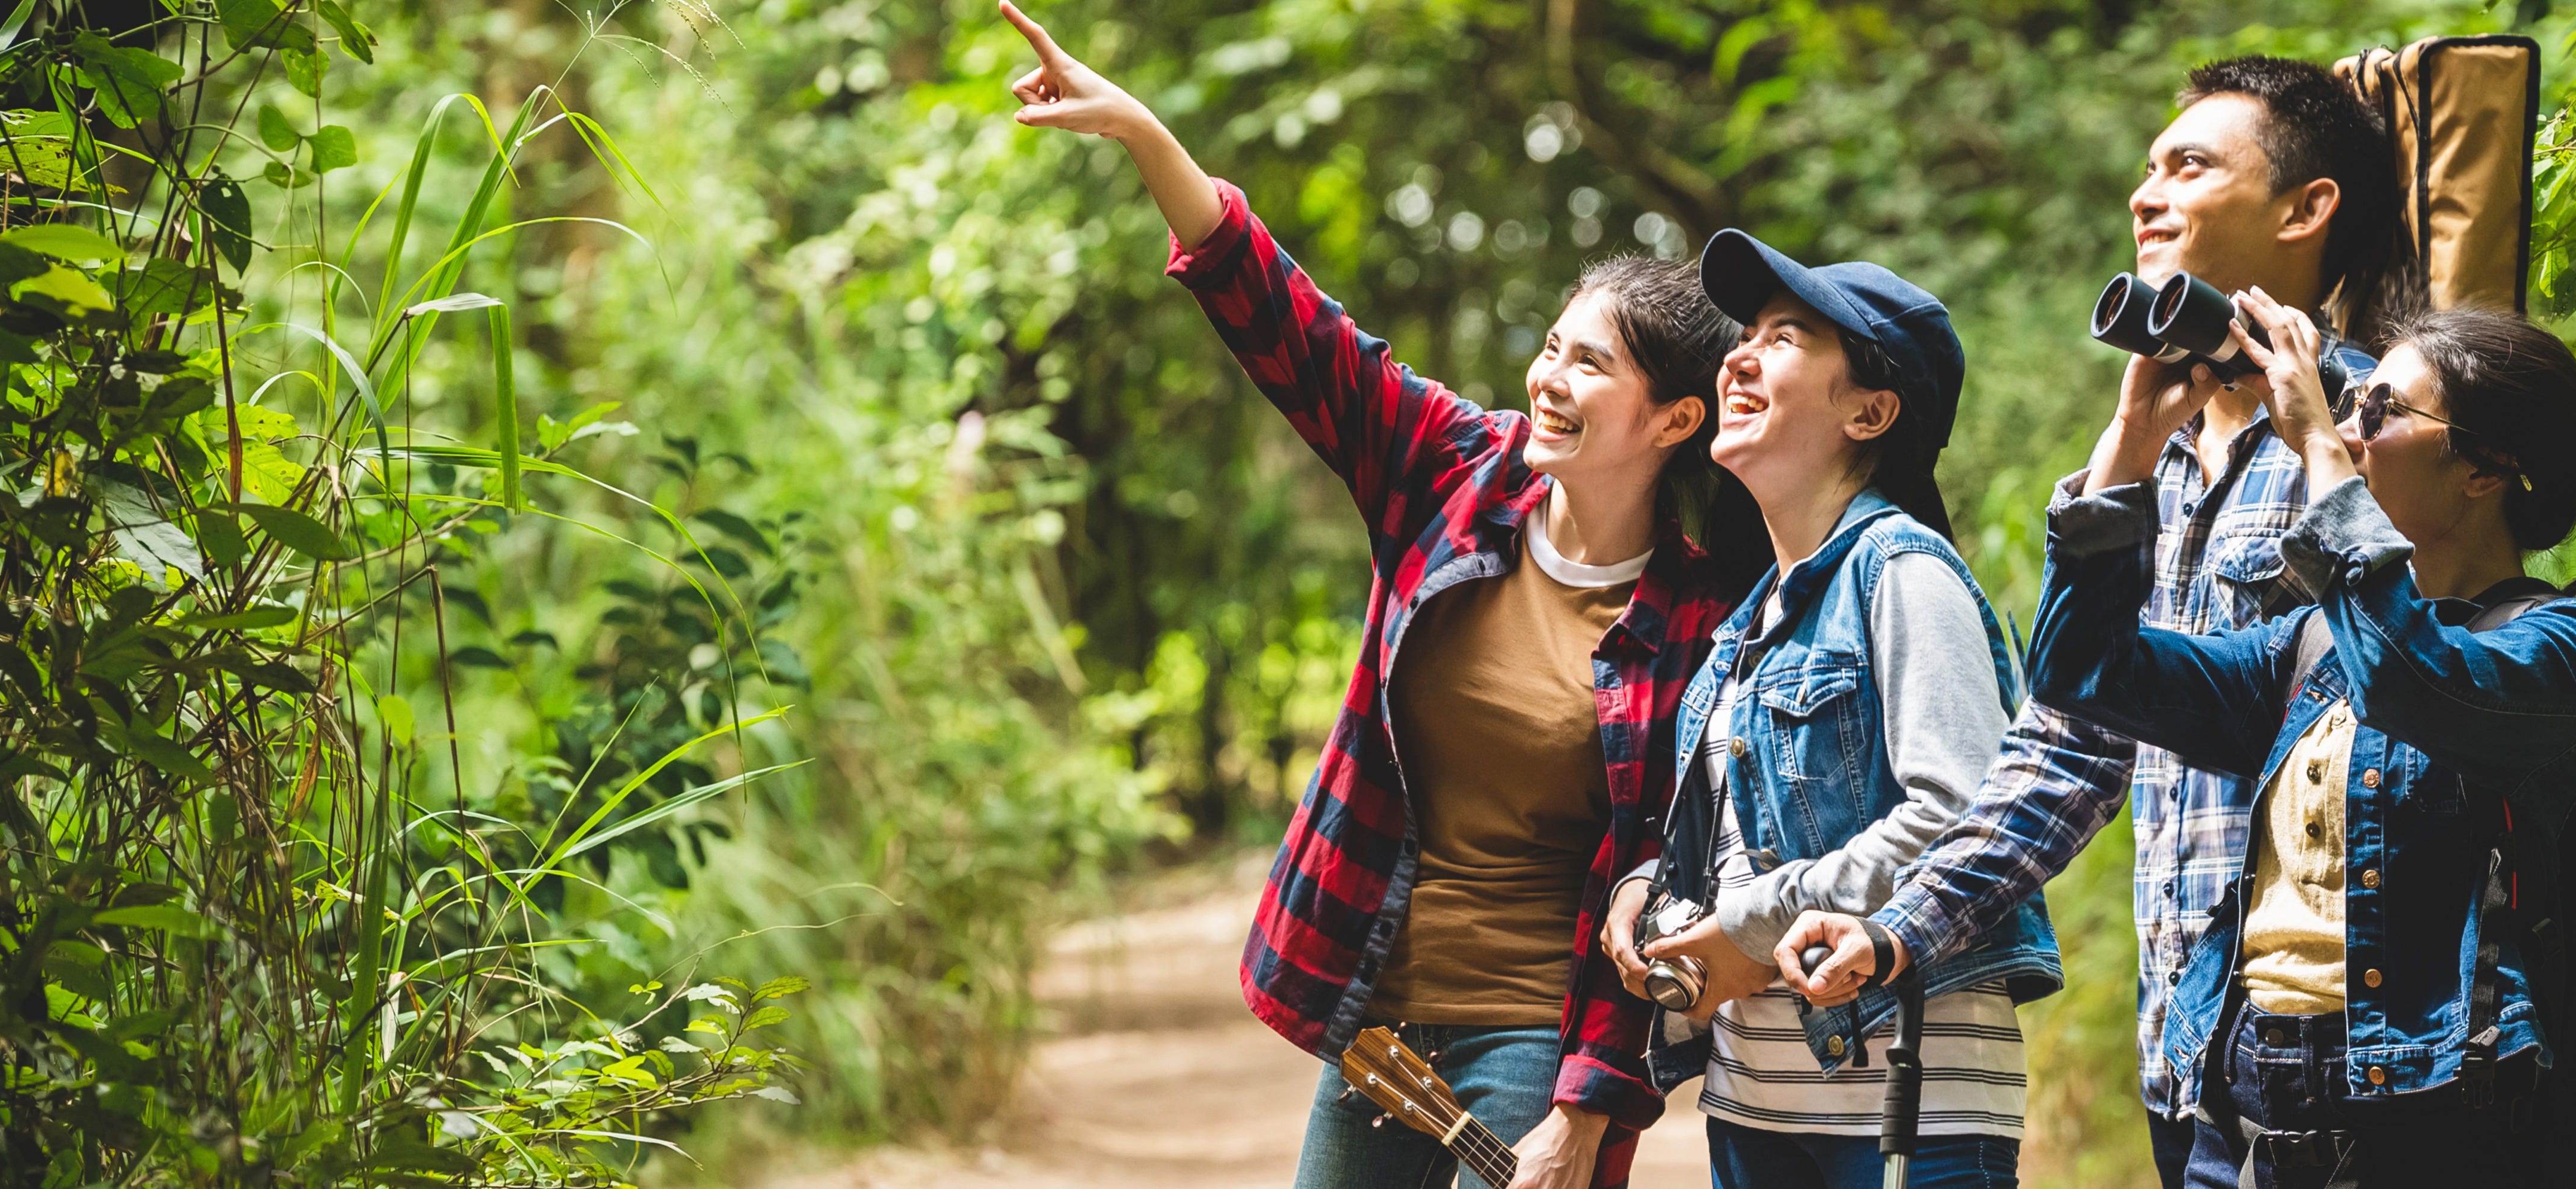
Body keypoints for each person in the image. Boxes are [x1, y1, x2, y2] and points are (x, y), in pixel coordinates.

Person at [992, 7, 1760, 1187]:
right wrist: (1145, 133)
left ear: (1673, 420)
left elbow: (1667, 869)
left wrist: (1592, 1111)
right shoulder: (1450, 473)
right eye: (1551, 349)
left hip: (1536, 1032)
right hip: (1382, 1005)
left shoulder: (1700, 616)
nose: (1550, 380)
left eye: (1590, 365)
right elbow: (1288, 330)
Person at [1763, 55, 2406, 1188]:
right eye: (2147, 168)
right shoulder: (2144, 462)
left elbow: (2411, 706)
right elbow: (2070, 747)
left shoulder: (2380, 441)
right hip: (2186, 1059)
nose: (2145, 196)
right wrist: (1899, 928)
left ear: (2307, 210)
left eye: (2191, 166)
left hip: (2341, 1066)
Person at [2018, 295, 2576, 1184]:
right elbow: (2082, 668)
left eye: (2381, 411)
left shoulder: (2572, 645)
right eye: (2351, 406)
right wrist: (2131, 438)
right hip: (2239, 1118)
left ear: (2486, 469)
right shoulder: (2309, 645)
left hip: (2426, 1123)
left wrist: (2319, 442)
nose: (2353, 427)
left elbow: (2412, 677)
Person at [1594, 232, 2061, 1189]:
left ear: (1870, 409)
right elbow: (1739, 843)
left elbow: (1963, 818)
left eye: (1788, 335)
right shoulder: (1747, 626)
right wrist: (1649, 893)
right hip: (1755, 1104)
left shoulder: (1906, 575)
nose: (1739, 354)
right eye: (1746, 333)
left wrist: (1750, 926)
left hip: (1908, 1106)